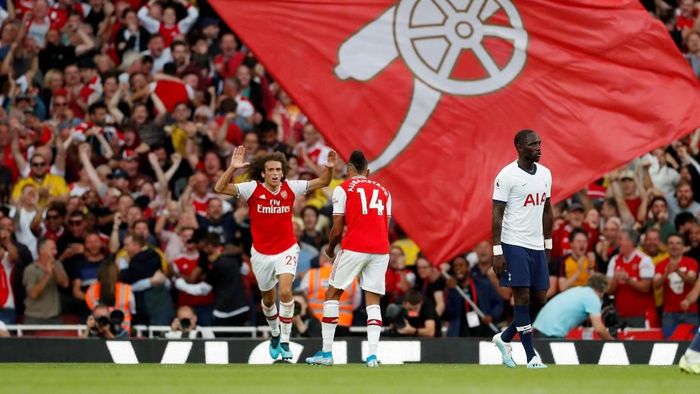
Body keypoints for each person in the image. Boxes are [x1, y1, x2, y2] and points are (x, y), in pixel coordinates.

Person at [214, 145, 335, 360]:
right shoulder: (252, 189)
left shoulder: (292, 187)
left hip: (287, 248)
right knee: (268, 300)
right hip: (261, 254)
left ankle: (286, 342)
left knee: (286, 292)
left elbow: (323, 182)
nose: (275, 174)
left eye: (278, 170)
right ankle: (276, 334)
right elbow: (220, 188)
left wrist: (330, 168)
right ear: (263, 172)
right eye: (271, 170)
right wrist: (232, 168)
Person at [305, 150, 391, 368]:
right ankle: (372, 356)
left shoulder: (342, 189)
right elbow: (385, 224)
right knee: (373, 301)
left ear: (349, 169)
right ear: (368, 171)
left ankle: (326, 353)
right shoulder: (384, 191)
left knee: (333, 293)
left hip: (354, 247)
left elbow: (336, 228)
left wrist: (331, 248)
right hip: (381, 249)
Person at [491, 129, 553, 369]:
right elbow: (497, 213)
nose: (538, 147)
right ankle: (531, 357)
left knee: (540, 299)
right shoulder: (506, 176)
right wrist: (497, 250)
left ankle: (504, 338)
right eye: (532, 144)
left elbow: (547, 209)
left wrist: (548, 243)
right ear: (519, 147)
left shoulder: (546, 174)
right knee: (523, 297)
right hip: (513, 242)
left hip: (537, 244)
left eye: (539, 143)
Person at [533, 273, 614, 340]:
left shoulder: (578, 290)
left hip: (538, 328)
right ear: (603, 290)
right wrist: (613, 342)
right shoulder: (592, 297)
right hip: (550, 333)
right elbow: (599, 329)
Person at [606, 228, 655, 328]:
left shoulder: (644, 259)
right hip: (620, 315)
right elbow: (609, 290)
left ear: (630, 242)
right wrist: (615, 279)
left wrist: (628, 279)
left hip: (641, 315)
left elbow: (646, 287)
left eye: (621, 239)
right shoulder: (614, 260)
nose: (618, 242)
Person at [653, 233, 699, 338]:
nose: (674, 246)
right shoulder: (660, 264)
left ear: (683, 247)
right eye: (671, 243)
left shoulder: (691, 262)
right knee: (670, 344)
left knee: (693, 345)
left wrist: (678, 271)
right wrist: (666, 273)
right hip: (669, 313)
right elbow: (655, 285)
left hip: (690, 312)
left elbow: (692, 281)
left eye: (678, 243)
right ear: (667, 246)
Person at [22, 239, 69, 324]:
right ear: (41, 250)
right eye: (52, 249)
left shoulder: (57, 264)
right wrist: (47, 275)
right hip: (34, 317)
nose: (55, 252)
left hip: (54, 317)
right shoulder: (30, 269)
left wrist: (54, 268)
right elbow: (33, 294)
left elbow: (65, 284)